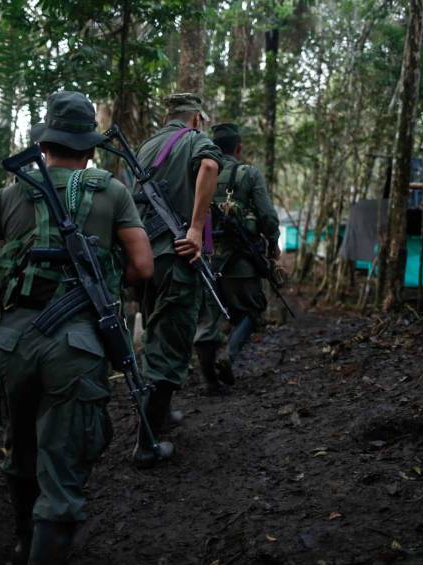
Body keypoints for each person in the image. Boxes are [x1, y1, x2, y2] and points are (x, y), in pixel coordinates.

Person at [0, 91, 154, 565]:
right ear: (89, 147)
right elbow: (144, 267)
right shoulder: (112, 192)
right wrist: (104, 280)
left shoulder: (12, 194)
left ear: (44, 145)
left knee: (20, 450)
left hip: (11, 345)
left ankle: (22, 540)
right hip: (76, 347)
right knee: (62, 471)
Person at [132, 93, 224, 469]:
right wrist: (197, 228)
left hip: (144, 259)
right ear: (196, 118)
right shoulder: (194, 139)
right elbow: (210, 166)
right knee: (170, 345)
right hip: (176, 256)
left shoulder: (145, 147)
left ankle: (163, 413)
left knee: (157, 336)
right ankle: (146, 444)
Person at [194, 123, 280, 393]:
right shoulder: (248, 174)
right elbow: (267, 215)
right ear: (238, 148)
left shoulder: (199, 172)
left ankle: (209, 380)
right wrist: (273, 243)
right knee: (251, 311)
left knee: (209, 319)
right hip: (240, 261)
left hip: (205, 260)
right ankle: (228, 356)